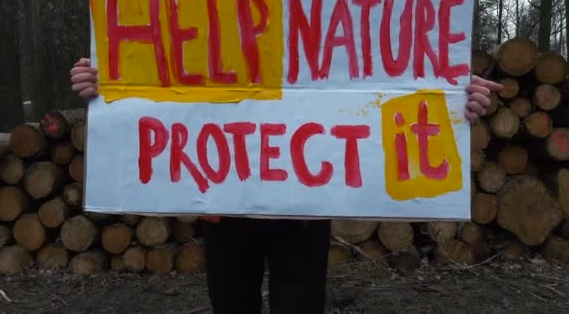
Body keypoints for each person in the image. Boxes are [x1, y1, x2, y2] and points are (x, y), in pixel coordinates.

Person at [70, 58, 502, 313]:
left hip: (302, 207)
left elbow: (390, 72)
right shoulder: (213, 10)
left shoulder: (323, 6)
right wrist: (104, 82)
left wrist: (454, 94)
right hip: (227, 203)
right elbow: (158, 73)